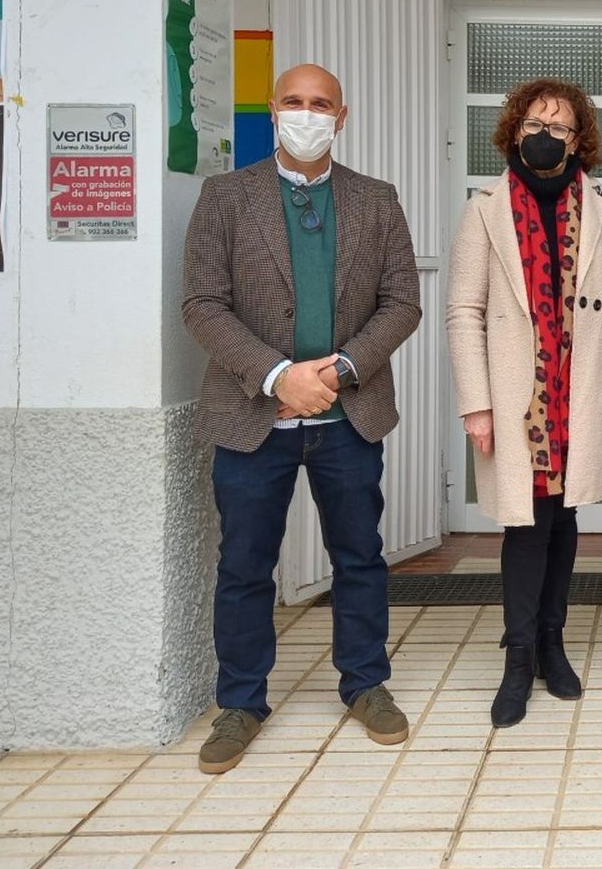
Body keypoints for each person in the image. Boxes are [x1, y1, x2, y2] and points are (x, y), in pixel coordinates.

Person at [182, 62, 422, 774]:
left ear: (341, 117)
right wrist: (277, 374)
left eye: (321, 104)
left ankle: (365, 685)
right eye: (295, 102)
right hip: (251, 417)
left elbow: (401, 302)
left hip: (350, 415)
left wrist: (338, 372)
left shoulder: (376, 200)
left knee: (359, 557)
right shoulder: (226, 197)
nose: (307, 113)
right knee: (246, 565)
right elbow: (202, 305)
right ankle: (241, 701)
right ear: (273, 109)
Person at [446, 78, 602, 727]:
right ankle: (518, 657)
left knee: (562, 519)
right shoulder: (485, 206)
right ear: (513, 128)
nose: (544, 136)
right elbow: (463, 309)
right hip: (516, 391)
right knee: (524, 523)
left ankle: (553, 646)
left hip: (578, 383)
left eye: (559, 128)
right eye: (534, 123)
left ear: (579, 137)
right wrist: (476, 402)